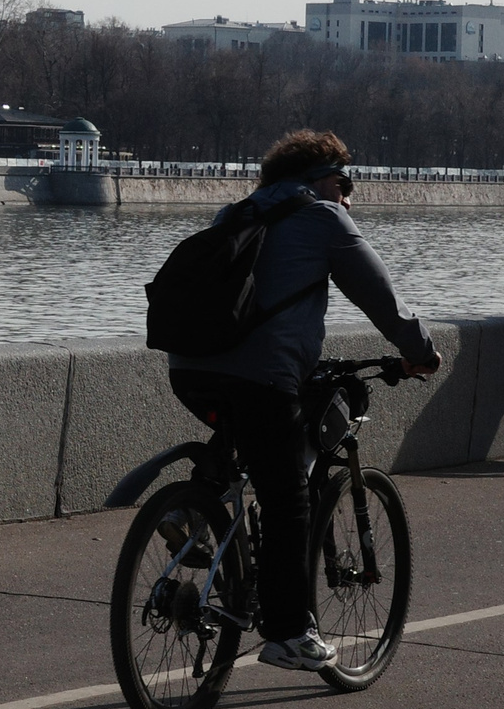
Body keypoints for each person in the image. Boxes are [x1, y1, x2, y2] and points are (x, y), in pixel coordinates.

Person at [165, 128, 441, 671]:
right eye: (346, 181)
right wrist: (420, 352)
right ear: (319, 180)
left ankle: (192, 510)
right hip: (261, 377)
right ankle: (288, 633)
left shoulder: (236, 214)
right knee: (289, 494)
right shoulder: (324, 219)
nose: (349, 194)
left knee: (249, 435)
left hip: (190, 366)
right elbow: (381, 299)